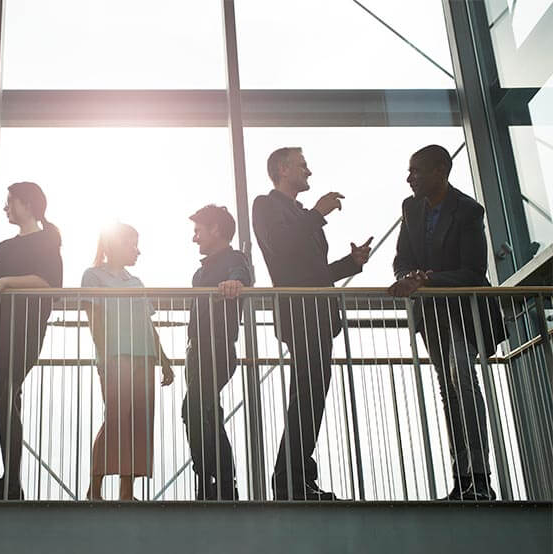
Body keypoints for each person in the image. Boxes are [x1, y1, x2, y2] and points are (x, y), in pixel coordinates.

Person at [252, 147, 371, 501]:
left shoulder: (301, 215)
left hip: (317, 313)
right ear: (283, 169)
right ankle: (290, 480)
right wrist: (318, 213)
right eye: (303, 165)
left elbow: (312, 272)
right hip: (301, 313)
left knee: (312, 396)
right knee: (306, 395)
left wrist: (350, 263)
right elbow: (281, 247)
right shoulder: (267, 205)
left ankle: (296, 476)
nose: (309, 171)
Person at [389, 144, 506, 501]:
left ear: (441, 170)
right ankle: (463, 478)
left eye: (417, 171)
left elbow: (474, 272)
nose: (410, 178)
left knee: (463, 382)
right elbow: (401, 260)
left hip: (463, 314)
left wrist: (427, 281)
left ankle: (480, 478)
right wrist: (409, 276)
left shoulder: (469, 211)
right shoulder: (411, 208)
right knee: (449, 391)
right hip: (433, 316)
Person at [0, 181, 63, 500]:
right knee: (3, 397)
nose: (6, 207)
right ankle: (10, 481)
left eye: (11, 201)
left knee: (5, 394)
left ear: (28, 205)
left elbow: (49, 284)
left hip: (24, 327)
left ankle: (12, 482)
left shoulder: (47, 239)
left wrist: (5, 282)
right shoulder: (6, 247)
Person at [81, 223, 174, 501]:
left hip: (144, 355)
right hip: (115, 355)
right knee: (116, 419)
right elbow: (93, 317)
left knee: (139, 422)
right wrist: (104, 354)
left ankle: (126, 492)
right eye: (132, 244)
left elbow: (147, 323)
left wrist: (164, 359)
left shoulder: (136, 282)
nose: (137, 251)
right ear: (114, 245)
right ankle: (94, 490)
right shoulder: (93, 276)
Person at [184, 205, 253, 501]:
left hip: (218, 348)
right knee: (207, 413)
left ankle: (217, 481)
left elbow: (242, 274)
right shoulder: (201, 271)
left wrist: (235, 283)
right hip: (196, 350)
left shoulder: (234, 259)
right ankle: (219, 482)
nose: (194, 238)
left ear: (215, 229)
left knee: (194, 410)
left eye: (199, 230)